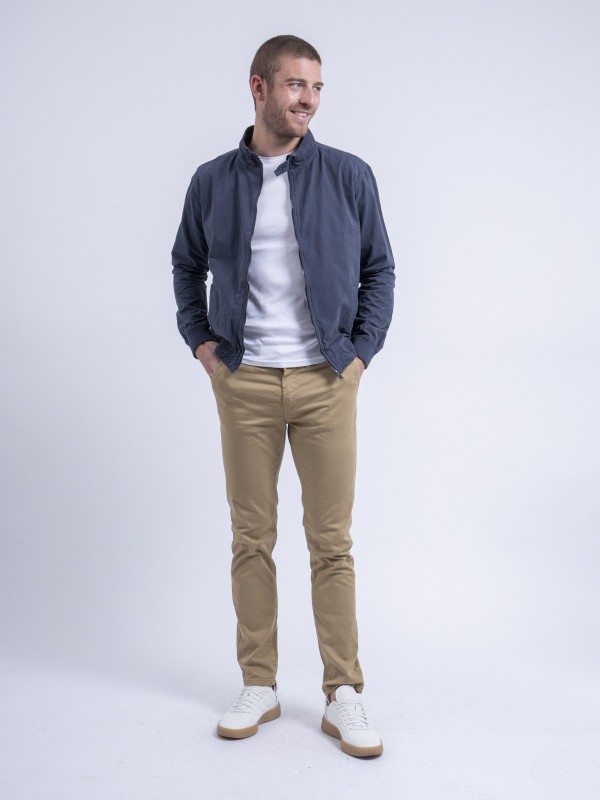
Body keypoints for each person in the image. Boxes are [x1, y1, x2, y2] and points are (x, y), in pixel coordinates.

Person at [171, 34, 395, 758]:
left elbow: (380, 270)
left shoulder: (348, 175)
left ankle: (343, 692)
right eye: (296, 85)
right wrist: (204, 346)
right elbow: (185, 264)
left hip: (327, 380)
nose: (309, 100)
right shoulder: (213, 180)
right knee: (251, 538)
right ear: (259, 88)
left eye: (317, 87)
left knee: (332, 543)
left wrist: (358, 356)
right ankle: (259, 683)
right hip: (244, 381)